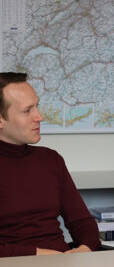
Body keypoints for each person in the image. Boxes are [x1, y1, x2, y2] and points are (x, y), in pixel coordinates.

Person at [0, 72, 101, 257]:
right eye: (27, 110)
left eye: (37, 107)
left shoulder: (50, 160)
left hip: (60, 261)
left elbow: (82, 222)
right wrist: (37, 254)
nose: (39, 117)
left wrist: (83, 250)